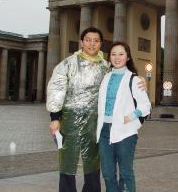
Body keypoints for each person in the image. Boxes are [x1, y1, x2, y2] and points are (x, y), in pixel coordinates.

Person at [46, 27, 146, 192]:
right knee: (67, 161)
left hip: (95, 123)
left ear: (101, 44)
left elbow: (124, 77)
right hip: (69, 121)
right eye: (88, 39)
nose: (92, 43)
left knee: (92, 162)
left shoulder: (106, 67)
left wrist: (141, 78)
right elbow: (57, 89)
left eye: (96, 40)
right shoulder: (68, 64)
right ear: (82, 42)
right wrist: (55, 117)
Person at [96, 41, 151, 192]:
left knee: (126, 173)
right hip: (104, 131)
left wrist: (130, 116)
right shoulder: (105, 78)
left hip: (125, 132)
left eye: (121, 54)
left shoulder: (134, 79)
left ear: (127, 57)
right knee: (107, 174)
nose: (117, 57)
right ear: (109, 57)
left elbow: (145, 106)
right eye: (113, 54)